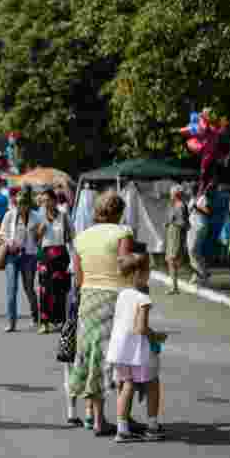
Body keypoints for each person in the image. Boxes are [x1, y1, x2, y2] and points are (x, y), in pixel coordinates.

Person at [70, 190, 140, 437]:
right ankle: (120, 417)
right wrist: (138, 260)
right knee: (120, 357)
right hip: (116, 298)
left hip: (88, 298)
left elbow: (78, 279)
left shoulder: (81, 237)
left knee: (92, 356)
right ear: (119, 212)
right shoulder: (123, 233)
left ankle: (92, 415)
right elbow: (124, 266)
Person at [106, 253, 166, 443]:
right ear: (138, 274)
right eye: (147, 271)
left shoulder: (122, 294)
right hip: (138, 352)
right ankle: (152, 426)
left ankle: (122, 429)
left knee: (127, 385)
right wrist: (156, 335)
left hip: (120, 351)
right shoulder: (143, 299)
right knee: (152, 384)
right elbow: (140, 328)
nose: (149, 274)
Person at [0, 189, 42, 332]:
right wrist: (9, 241)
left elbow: (40, 237)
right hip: (12, 255)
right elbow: (0, 234)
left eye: (23, 203)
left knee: (28, 288)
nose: (20, 206)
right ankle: (11, 322)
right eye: (17, 203)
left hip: (29, 255)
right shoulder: (10, 215)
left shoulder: (36, 217)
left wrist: (38, 234)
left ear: (28, 204)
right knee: (11, 288)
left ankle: (36, 316)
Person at [35, 189, 73, 334]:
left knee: (60, 290)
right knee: (44, 289)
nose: (45, 203)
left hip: (61, 254)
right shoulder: (40, 217)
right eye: (43, 201)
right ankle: (44, 322)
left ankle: (60, 320)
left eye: (47, 200)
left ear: (54, 200)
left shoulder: (64, 216)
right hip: (45, 255)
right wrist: (40, 232)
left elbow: (71, 236)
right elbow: (35, 240)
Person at [165, 185, 188, 294]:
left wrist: (171, 222)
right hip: (172, 233)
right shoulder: (175, 205)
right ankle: (174, 286)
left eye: (172, 193)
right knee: (171, 260)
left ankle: (174, 287)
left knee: (173, 259)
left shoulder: (180, 206)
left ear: (176, 194)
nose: (170, 195)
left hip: (176, 234)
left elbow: (183, 223)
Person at [187, 187, 212, 285]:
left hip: (200, 226)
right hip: (191, 227)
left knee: (192, 250)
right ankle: (200, 273)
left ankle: (200, 273)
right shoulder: (192, 199)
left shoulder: (203, 198)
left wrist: (196, 207)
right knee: (193, 251)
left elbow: (208, 212)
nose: (191, 190)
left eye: (194, 188)